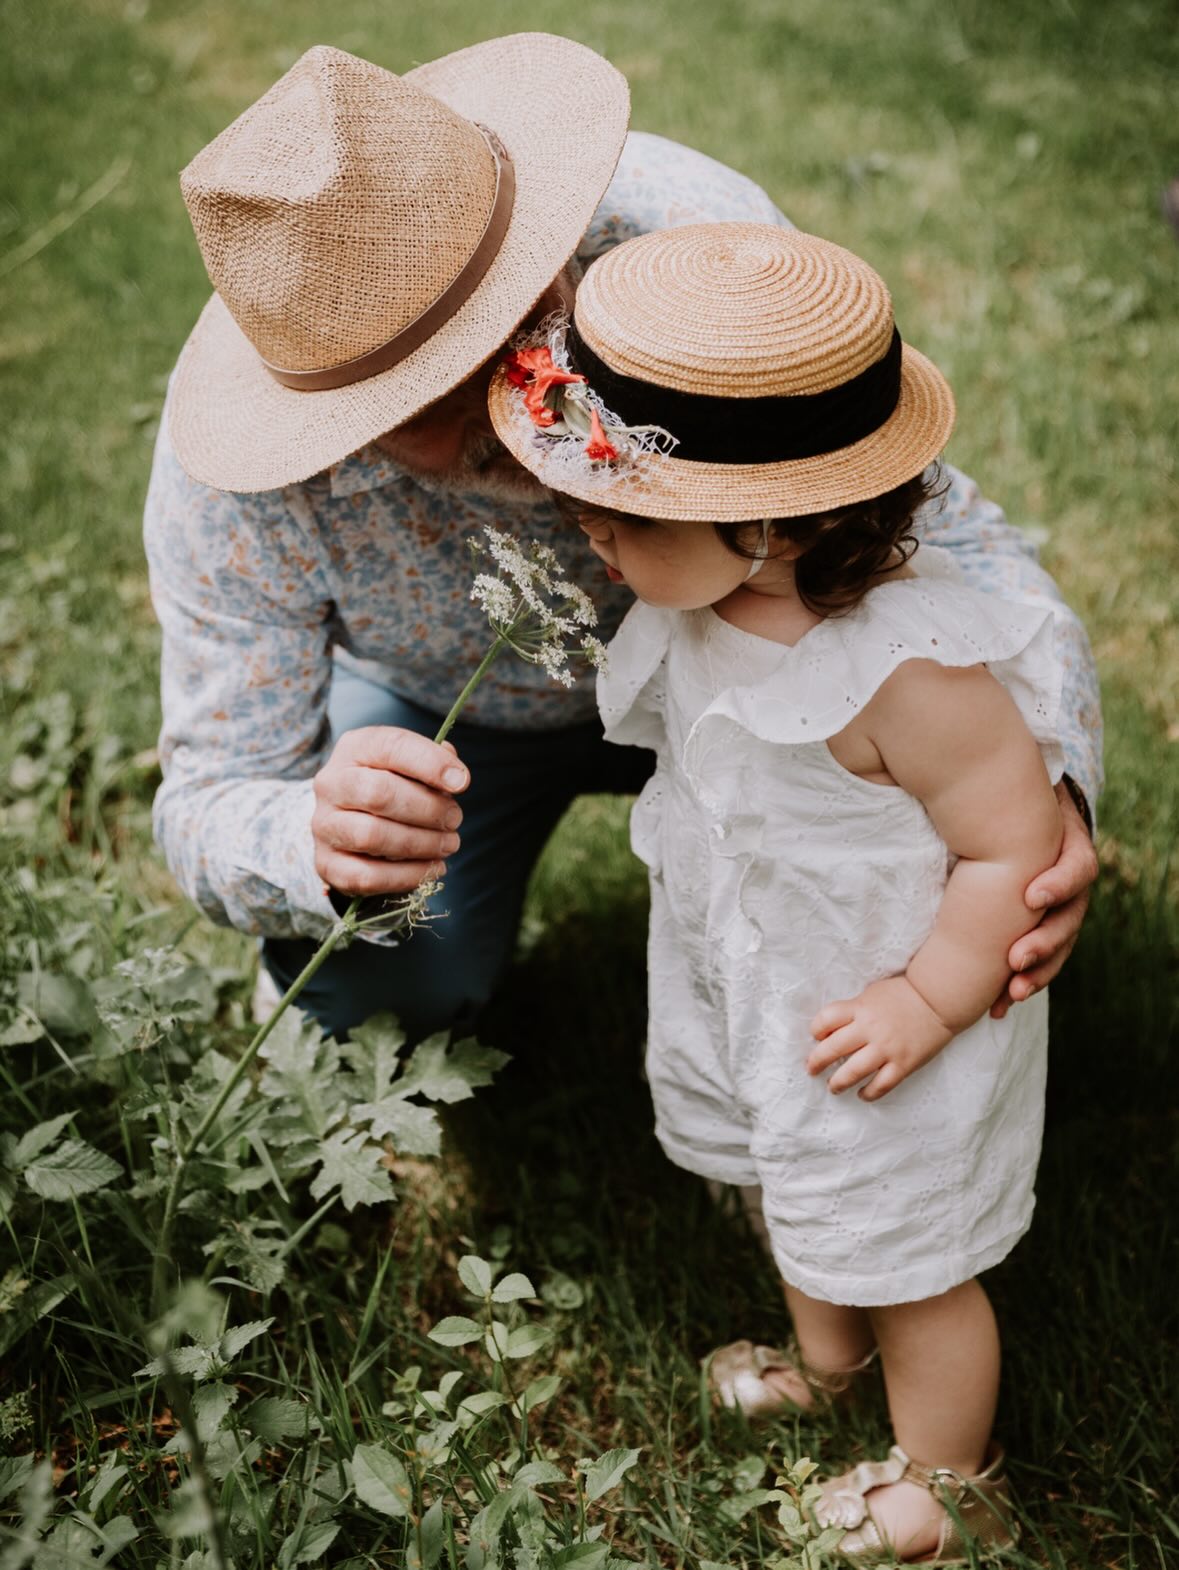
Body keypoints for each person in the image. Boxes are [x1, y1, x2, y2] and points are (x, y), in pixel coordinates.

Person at [145, 35, 1101, 1043]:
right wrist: (316, 839)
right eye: (440, 391)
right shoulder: (240, 469)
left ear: (554, 245)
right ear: (342, 413)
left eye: (517, 322)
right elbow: (208, 793)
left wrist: (1052, 779)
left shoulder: (696, 246)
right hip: (457, 722)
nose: (528, 405)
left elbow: (945, 536)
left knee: (903, 897)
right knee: (385, 990)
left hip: (764, 680)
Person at [487, 222, 1066, 1563]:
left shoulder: (905, 671)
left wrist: (927, 996)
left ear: (779, 518)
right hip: (758, 971)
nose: (590, 531)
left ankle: (947, 1473)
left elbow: (1005, 845)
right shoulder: (706, 595)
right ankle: (825, 1358)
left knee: (904, 1241)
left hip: (886, 995)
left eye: (622, 512)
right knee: (777, 1174)